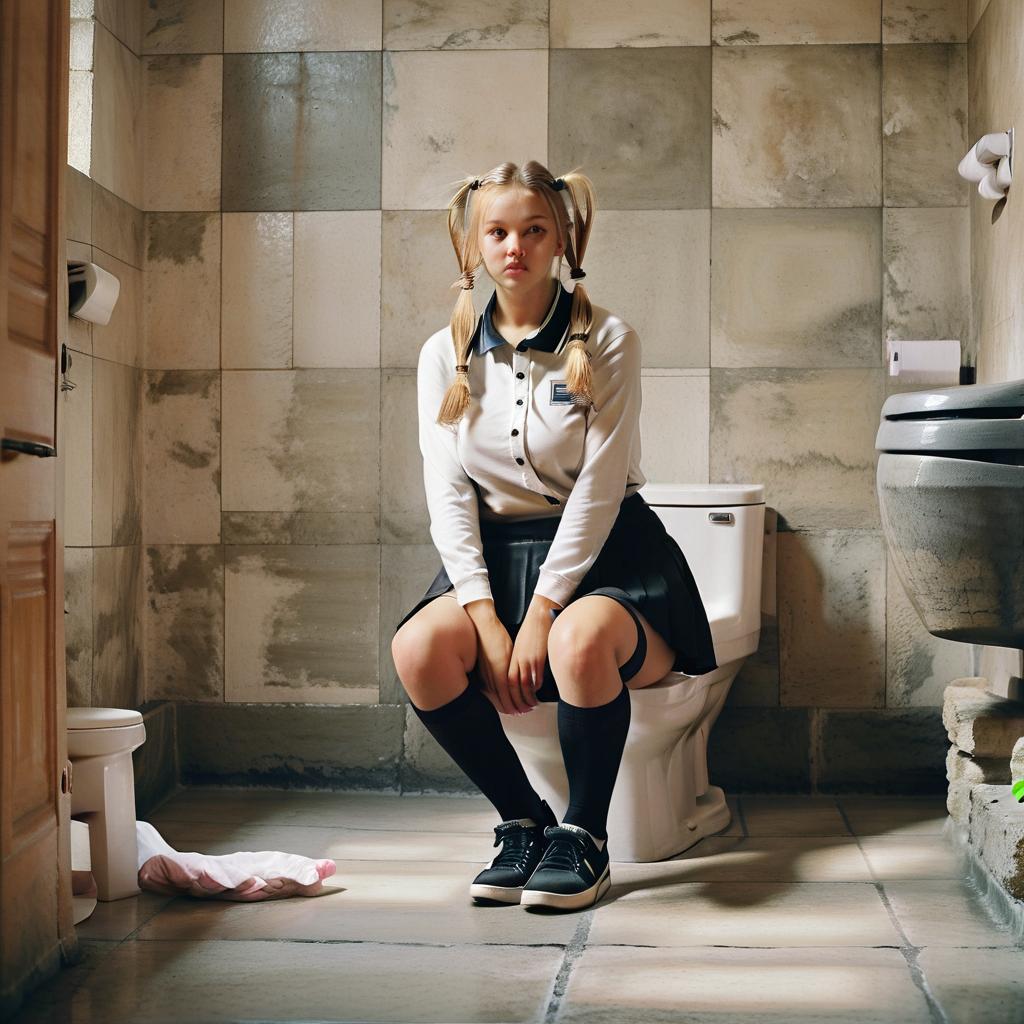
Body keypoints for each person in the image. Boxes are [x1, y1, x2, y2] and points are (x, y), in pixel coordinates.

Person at [391, 160, 717, 911]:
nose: (516, 247)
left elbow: (600, 492)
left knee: (575, 643)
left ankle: (586, 839)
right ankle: (524, 822)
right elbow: (447, 493)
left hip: (608, 556)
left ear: (562, 239)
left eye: (534, 230)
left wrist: (540, 614)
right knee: (417, 650)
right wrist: (482, 616)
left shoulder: (608, 339)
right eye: (497, 232)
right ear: (472, 246)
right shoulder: (443, 354)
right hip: (494, 558)